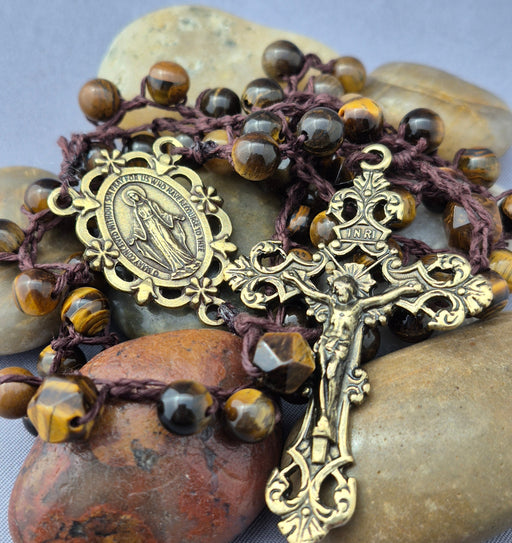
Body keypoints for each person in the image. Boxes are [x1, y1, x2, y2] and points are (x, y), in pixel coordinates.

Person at [122, 185, 199, 277]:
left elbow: (162, 214)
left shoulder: (150, 203)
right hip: (150, 230)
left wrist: (175, 217)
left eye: (134, 195)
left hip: (159, 224)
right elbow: (137, 225)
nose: (133, 198)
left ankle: (188, 260)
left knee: (171, 241)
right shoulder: (136, 210)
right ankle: (176, 267)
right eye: (131, 197)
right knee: (162, 247)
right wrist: (134, 237)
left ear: (138, 194)